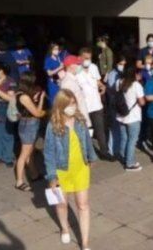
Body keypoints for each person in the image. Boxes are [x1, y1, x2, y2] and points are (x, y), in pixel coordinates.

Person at [44, 89, 98, 250]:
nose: (72, 107)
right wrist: (52, 176)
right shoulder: (53, 125)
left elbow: (87, 140)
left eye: (74, 103)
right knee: (62, 205)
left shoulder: (80, 120)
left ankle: (85, 243)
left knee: (83, 205)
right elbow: (48, 151)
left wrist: (92, 157)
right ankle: (65, 228)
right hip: (62, 171)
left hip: (81, 168)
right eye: (68, 104)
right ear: (60, 106)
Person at [77, 48, 114, 161]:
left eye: (89, 58)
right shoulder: (77, 70)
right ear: (80, 58)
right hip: (84, 106)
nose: (87, 60)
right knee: (86, 130)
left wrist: (102, 86)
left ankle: (104, 152)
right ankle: (86, 153)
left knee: (100, 129)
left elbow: (98, 81)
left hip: (96, 104)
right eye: (85, 58)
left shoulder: (93, 67)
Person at [14, 72, 46, 191]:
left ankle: (34, 174)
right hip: (28, 125)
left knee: (30, 152)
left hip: (30, 123)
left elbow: (35, 111)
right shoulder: (24, 97)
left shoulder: (22, 94)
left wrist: (39, 99)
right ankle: (19, 181)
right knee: (24, 154)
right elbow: (37, 113)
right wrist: (46, 111)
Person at [116, 66, 145, 171]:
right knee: (132, 140)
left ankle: (124, 157)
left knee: (124, 138)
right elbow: (142, 102)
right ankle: (130, 163)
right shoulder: (136, 85)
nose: (140, 76)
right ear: (134, 74)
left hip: (121, 115)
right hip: (133, 117)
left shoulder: (119, 82)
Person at [59, 55, 92, 128]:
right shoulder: (67, 82)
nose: (79, 66)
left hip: (81, 118)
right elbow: (67, 105)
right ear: (71, 66)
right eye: (77, 64)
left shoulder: (73, 79)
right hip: (77, 121)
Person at [104, 55, 127, 158]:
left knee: (120, 128)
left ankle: (118, 150)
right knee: (114, 128)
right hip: (114, 103)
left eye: (124, 64)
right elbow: (113, 88)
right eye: (120, 64)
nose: (122, 66)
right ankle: (112, 151)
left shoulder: (123, 73)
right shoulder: (113, 74)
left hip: (120, 103)